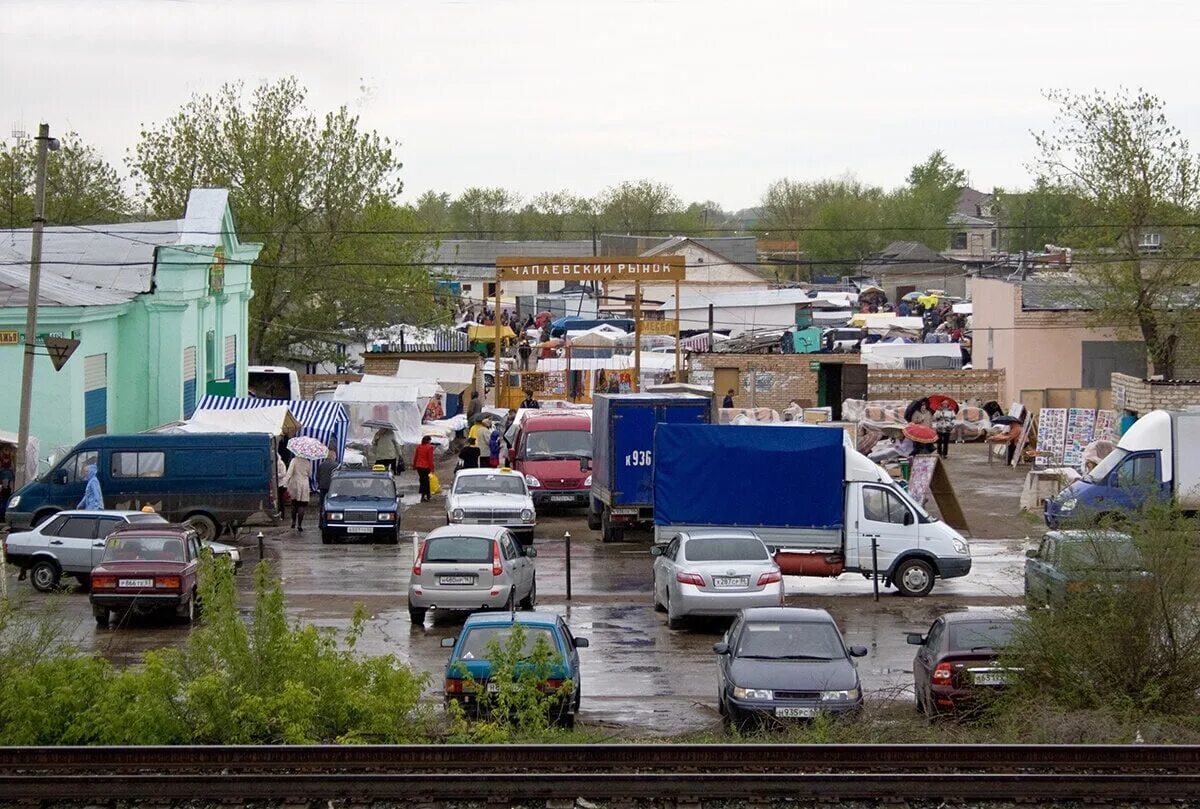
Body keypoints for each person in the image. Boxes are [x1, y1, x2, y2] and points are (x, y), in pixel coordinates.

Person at [281, 455, 313, 531]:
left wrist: (284, 483)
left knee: (294, 503)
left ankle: (293, 521)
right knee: (302, 505)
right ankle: (299, 524)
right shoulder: (307, 462)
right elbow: (310, 474)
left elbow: (289, 473)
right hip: (304, 485)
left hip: (295, 484)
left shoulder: (294, 461)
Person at [413, 436, 436, 502]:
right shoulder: (429, 447)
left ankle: (425, 495)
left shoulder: (419, 446)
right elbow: (430, 459)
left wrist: (414, 465)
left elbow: (416, 456)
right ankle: (426, 495)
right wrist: (432, 468)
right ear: (428, 441)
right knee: (426, 481)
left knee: (422, 480)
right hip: (426, 467)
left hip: (419, 467)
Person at [316, 448, 338, 512]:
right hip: (332, 487)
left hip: (322, 486)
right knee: (332, 502)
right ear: (333, 457)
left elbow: (318, 476)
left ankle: (321, 517)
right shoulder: (336, 465)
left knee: (322, 503)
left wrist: (319, 484)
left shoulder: (321, 465)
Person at [276, 452, 288, 519]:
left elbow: (283, 474)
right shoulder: (277, 463)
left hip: (281, 484)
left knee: (281, 500)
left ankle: (282, 514)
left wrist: (275, 475)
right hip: (277, 484)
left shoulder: (281, 463)